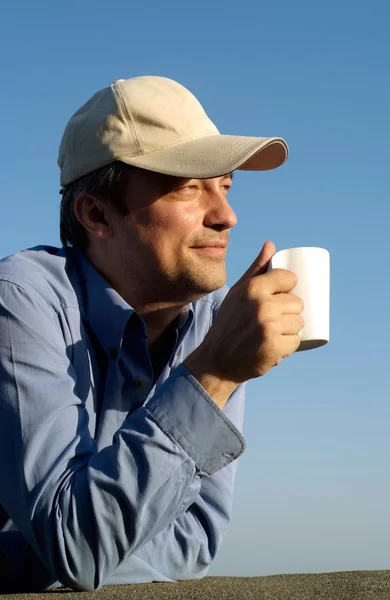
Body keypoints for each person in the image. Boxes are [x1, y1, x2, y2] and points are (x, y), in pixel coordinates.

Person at [0, 76, 304, 592]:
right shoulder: (21, 298)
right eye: (189, 186)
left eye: (225, 185)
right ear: (96, 214)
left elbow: (193, 542)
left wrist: (48, 555)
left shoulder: (212, 316)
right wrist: (212, 374)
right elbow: (76, 548)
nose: (226, 215)